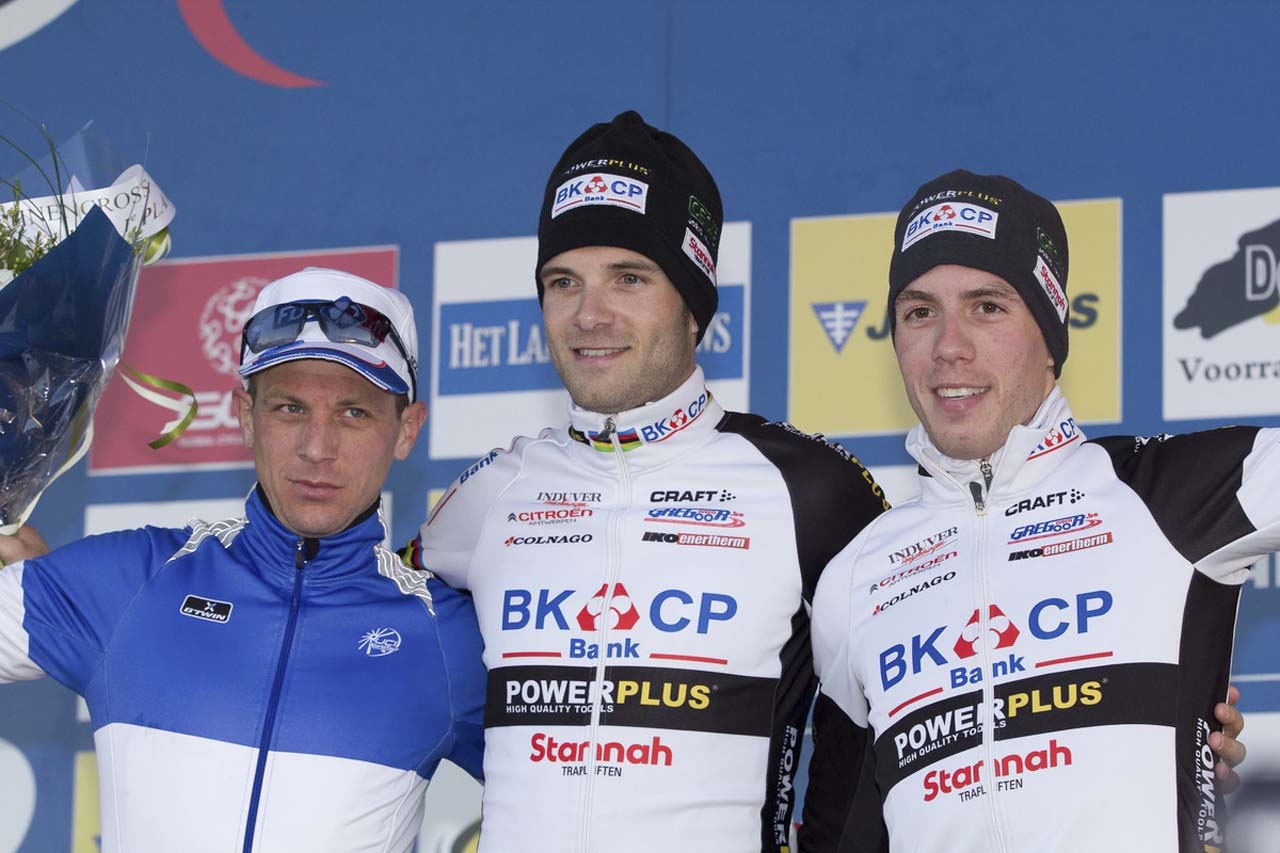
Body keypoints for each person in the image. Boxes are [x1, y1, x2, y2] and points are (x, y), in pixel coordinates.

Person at [400, 110, 891, 851]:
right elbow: (364, 645)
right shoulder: (488, 495)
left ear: (693, 306)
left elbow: (888, 732)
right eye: (563, 281)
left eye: (629, 278)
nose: (589, 314)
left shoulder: (812, 490)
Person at [805, 170, 1268, 850]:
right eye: (919, 311)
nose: (948, 346)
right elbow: (838, 838)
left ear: (1052, 334)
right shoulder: (854, 576)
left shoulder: (1167, 493)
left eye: (987, 306)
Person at [0, 267, 485, 852]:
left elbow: (583, 798)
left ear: (406, 430)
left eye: (354, 413)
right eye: (289, 408)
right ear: (245, 415)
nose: (316, 448)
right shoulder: (129, 583)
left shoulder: (447, 637)